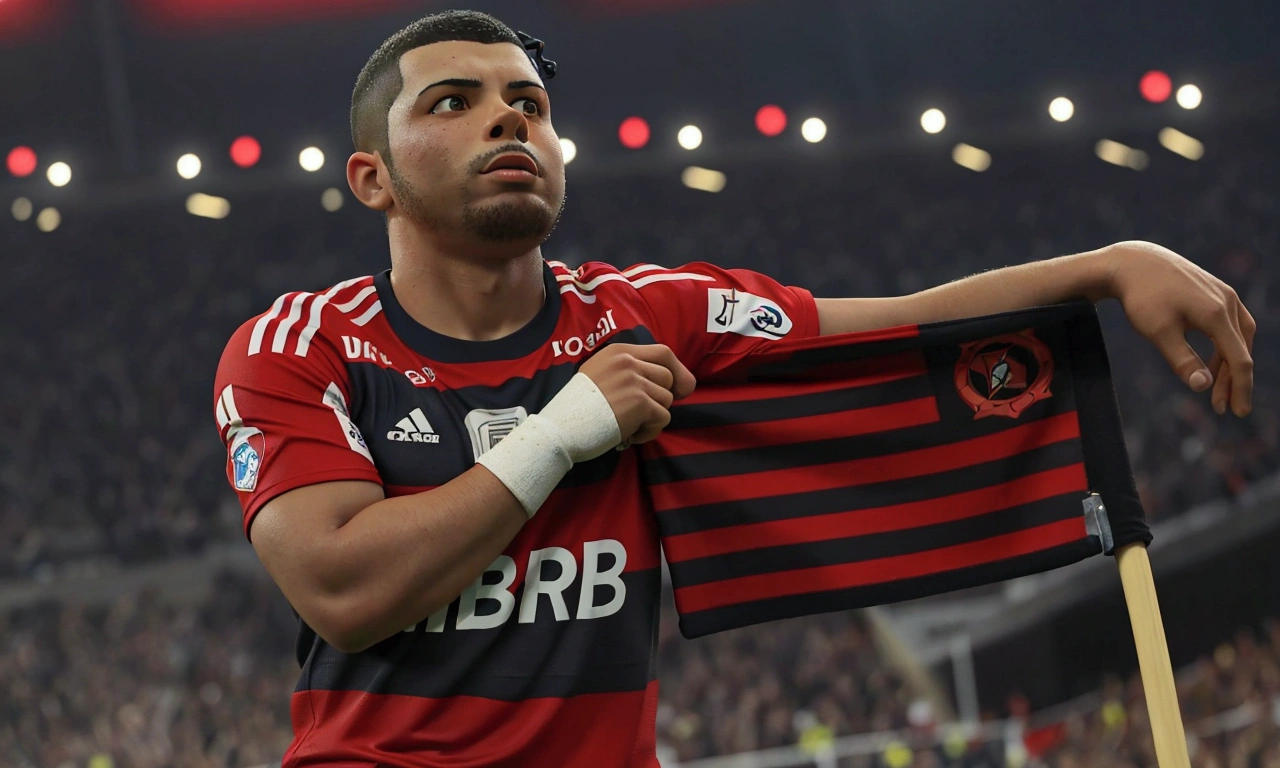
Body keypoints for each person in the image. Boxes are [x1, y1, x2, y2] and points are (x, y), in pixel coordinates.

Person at [212, 10, 1256, 767]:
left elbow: (898, 327)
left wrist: (1108, 264)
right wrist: (565, 426)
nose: (507, 121)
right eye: (454, 103)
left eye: (527, 103)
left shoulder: (649, 312)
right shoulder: (298, 346)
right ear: (372, 179)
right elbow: (342, 593)